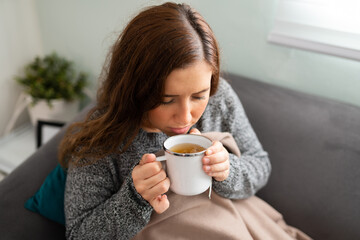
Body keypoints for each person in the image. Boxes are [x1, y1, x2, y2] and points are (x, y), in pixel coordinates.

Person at [58, 2, 293, 239]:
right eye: (166, 99)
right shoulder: (101, 142)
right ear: (134, 88)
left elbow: (261, 165)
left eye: (199, 96)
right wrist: (134, 199)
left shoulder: (219, 97)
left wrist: (228, 171)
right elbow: (79, 234)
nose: (185, 117)